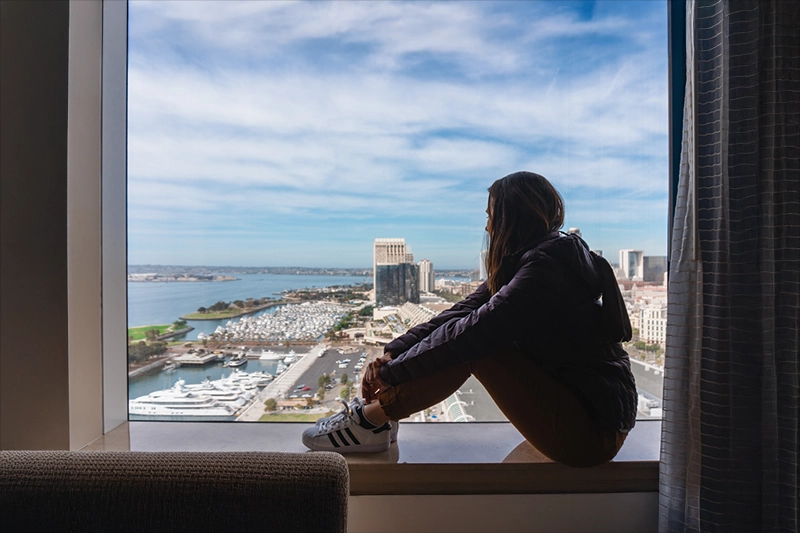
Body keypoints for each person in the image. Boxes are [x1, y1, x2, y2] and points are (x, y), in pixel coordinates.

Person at [302, 171, 637, 467]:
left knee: (478, 346)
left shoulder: (544, 271)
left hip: (592, 433)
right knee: (468, 334)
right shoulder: (533, 263)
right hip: (585, 410)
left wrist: (391, 374)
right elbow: (459, 312)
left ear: (511, 218)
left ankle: (369, 422)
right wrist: (392, 352)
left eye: (491, 216)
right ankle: (374, 422)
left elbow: (470, 334)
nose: (487, 226)